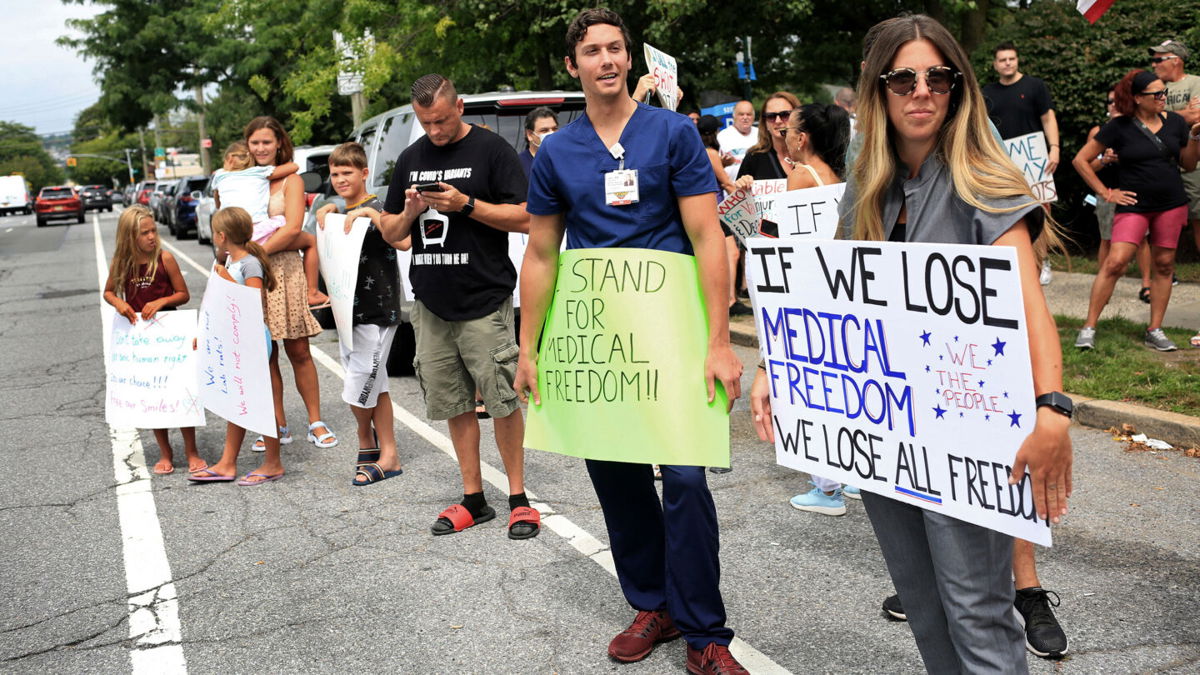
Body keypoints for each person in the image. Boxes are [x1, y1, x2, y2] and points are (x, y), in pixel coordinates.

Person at [772, 15, 1070, 671]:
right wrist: (779, 366)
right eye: (903, 77)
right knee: (926, 608)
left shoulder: (983, 180)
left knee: (979, 617)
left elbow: (1030, 306)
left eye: (939, 76)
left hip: (971, 434)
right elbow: (833, 300)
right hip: (889, 437)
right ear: (878, 91)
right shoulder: (864, 193)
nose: (922, 90)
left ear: (958, 87)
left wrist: (1053, 408)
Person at [515, 9, 747, 673]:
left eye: (616, 48)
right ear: (573, 66)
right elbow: (540, 254)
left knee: (683, 478)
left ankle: (706, 634)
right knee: (616, 477)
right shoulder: (556, 151)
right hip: (598, 340)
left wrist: (720, 341)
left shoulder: (672, 133)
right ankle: (654, 602)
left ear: (629, 60)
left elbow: (708, 239)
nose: (607, 60)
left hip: (674, 336)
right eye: (593, 51)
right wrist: (529, 347)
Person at [378, 73, 539, 540]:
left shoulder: (491, 151)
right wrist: (409, 210)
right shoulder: (411, 158)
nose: (436, 131)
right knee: (453, 402)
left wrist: (466, 205)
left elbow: (527, 216)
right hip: (431, 304)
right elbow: (391, 232)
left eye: (443, 121)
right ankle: (474, 498)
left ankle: (518, 497)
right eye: (427, 123)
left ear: (460, 107)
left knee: (503, 400)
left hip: (484, 299)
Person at [773, 102, 865, 514]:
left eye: (788, 129)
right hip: (838, 288)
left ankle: (826, 487)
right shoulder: (838, 177)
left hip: (808, 290)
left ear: (803, 137)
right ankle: (854, 476)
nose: (784, 135)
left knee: (812, 390)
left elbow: (781, 240)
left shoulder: (799, 178)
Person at [1074, 70, 1200, 353]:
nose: (1163, 98)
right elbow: (1081, 160)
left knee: (1165, 265)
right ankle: (1089, 326)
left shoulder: (1176, 123)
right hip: (1134, 206)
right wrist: (1106, 192)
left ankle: (1154, 329)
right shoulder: (1119, 127)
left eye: (1164, 92)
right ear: (1137, 98)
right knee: (1116, 262)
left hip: (1171, 204)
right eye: (1156, 94)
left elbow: (1189, 165)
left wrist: (1194, 138)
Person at [242, 116, 337, 452]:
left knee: (298, 350)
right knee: (264, 354)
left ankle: (315, 422)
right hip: (250, 276)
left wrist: (255, 253)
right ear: (247, 146)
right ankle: (276, 424)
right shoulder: (242, 182)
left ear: (279, 143)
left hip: (283, 269)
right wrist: (240, 261)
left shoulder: (291, 181)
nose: (261, 148)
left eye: (267, 142)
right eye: (255, 143)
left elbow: (294, 228)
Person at [314, 142, 405, 485]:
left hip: (378, 310)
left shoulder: (380, 207)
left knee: (359, 382)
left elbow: (404, 240)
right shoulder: (338, 210)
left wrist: (373, 216)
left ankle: (374, 444)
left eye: (347, 172)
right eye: (335, 174)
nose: (340, 179)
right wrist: (327, 212)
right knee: (375, 383)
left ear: (364, 173)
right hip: (347, 313)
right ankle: (380, 448)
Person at [103, 205, 204, 475]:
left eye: (153, 230)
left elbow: (183, 294)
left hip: (169, 333)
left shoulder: (165, 258)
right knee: (154, 395)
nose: (151, 237)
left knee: (181, 391)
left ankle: (191, 450)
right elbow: (109, 292)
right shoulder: (121, 262)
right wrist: (119, 305)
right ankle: (164, 451)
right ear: (129, 236)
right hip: (141, 338)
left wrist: (162, 300)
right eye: (144, 232)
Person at [190, 207, 285, 486]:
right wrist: (205, 334)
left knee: (259, 401)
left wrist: (225, 279)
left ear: (221, 235)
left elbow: (252, 302)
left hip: (253, 339)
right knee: (238, 401)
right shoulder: (229, 261)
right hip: (235, 340)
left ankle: (273, 463)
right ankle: (227, 463)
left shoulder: (248, 264)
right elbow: (218, 306)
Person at [211, 141, 328, 310]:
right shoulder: (258, 173)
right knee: (310, 241)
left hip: (231, 233)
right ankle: (312, 292)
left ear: (229, 159)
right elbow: (293, 167)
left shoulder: (219, 175)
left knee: (223, 258)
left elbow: (217, 202)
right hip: (258, 230)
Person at [982, 41, 1061, 286]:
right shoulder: (986, 92)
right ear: (995, 64)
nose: (1007, 63)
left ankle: (1043, 260)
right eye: (1003, 59)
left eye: (1011, 59)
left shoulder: (1035, 86)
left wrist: (1055, 148)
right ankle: (1014, 262)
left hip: (1035, 161)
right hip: (1003, 164)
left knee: (1041, 212)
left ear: (1017, 60)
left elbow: (1048, 118)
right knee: (1007, 212)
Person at [1149, 40, 1200, 345]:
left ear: (1176, 60)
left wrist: (1167, 115)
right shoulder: (1157, 88)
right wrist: (1183, 114)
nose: (1154, 63)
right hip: (1167, 177)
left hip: (1195, 173)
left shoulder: (1196, 83)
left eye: (1159, 59)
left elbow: (1195, 119)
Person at [1088, 87, 1154, 302]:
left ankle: (1146, 285)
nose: (1114, 105)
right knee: (1106, 239)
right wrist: (1105, 159)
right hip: (1107, 192)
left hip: (1134, 190)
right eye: (1110, 101)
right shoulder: (1098, 131)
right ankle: (1103, 286)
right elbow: (1087, 166)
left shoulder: (1138, 128)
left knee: (1142, 240)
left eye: (1118, 101)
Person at [698, 114, 752, 320]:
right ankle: (729, 301)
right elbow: (726, 183)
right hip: (718, 208)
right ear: (712, 133)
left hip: (709, 208)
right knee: (732, 254)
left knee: (723, 254)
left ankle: (725, 299)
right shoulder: (711, 153)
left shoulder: (700, 152)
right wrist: (745, 202)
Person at [737, 92, 800, 184]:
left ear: (798, 117)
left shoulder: (813, 154)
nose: (778, 121)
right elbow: (740, 197)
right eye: (771, 116)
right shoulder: (754, 157)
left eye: (785, 115)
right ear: (765, 122)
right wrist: (742, 185)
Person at [717, 100, 757, 178]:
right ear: (734, 116)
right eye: (741, 114)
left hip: (757, 187)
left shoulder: (761, 134)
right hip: (732, 188)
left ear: (754, 117)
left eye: (749, 114)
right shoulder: (722, 136)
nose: (745, 117)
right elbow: (715, 165)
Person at [518, 106, 559, 177]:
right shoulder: (518, 165)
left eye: (554, 129)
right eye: (544, 130)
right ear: (530, 135)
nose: (552, 133)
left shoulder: (567, 159)